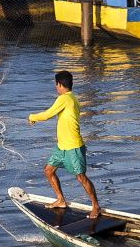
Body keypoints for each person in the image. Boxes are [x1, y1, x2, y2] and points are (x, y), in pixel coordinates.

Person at [28, 70, 101, 219]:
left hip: (73, 147)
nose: (56, 88)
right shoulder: (73, 98)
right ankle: (61, 200)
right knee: (49, 171)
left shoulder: (65, 99)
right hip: (62, 147)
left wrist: (32, 117)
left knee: (81, 177)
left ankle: (96, 206)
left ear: (60, 85)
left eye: (57, 85)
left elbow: (47, 114)